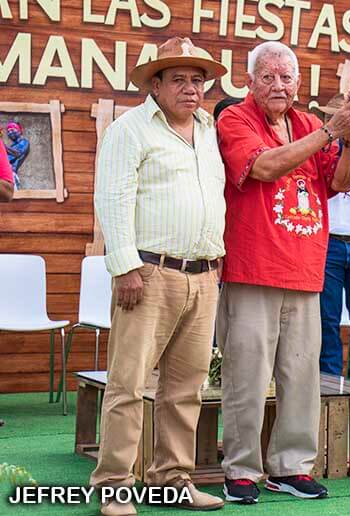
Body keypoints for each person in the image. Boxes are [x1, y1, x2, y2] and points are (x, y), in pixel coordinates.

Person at [216, 41, 350, 504]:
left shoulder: (306, 123)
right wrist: (330, 132)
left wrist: (348, 140)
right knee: (246, 375)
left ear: (298, 83)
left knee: (301, 379)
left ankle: (291, 467)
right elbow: (262, 167)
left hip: (305, 270)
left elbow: (339, 183)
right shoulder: (235, 120)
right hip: (252, 268)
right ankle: (240, 469)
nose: (278, 85)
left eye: (286, 78)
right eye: (268, 77)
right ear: (249, 81)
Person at [90, 36, 228, 515]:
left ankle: (171, 480)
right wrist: (125, 266)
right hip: (148, 274)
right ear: (155, 84)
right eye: (178, 80)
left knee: (186, 388)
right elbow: (111, 199)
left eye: (197, 80)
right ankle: (113, 486)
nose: (190, 89)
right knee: (128, 385)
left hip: (204, 275)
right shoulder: (130, 130)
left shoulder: (209, 130)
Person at [313, 94, 350, 383]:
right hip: (329, 243)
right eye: (332, 117)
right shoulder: (319, 152)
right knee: (326, 320)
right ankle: (327, 386)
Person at [5, 122, 28, 189]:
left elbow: (18, 153)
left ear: (19, 131)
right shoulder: (12, 146)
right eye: (8, 131)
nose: (10, 133)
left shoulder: (24, 142)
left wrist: (3, 146)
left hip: (10, 175)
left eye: (12, 130)